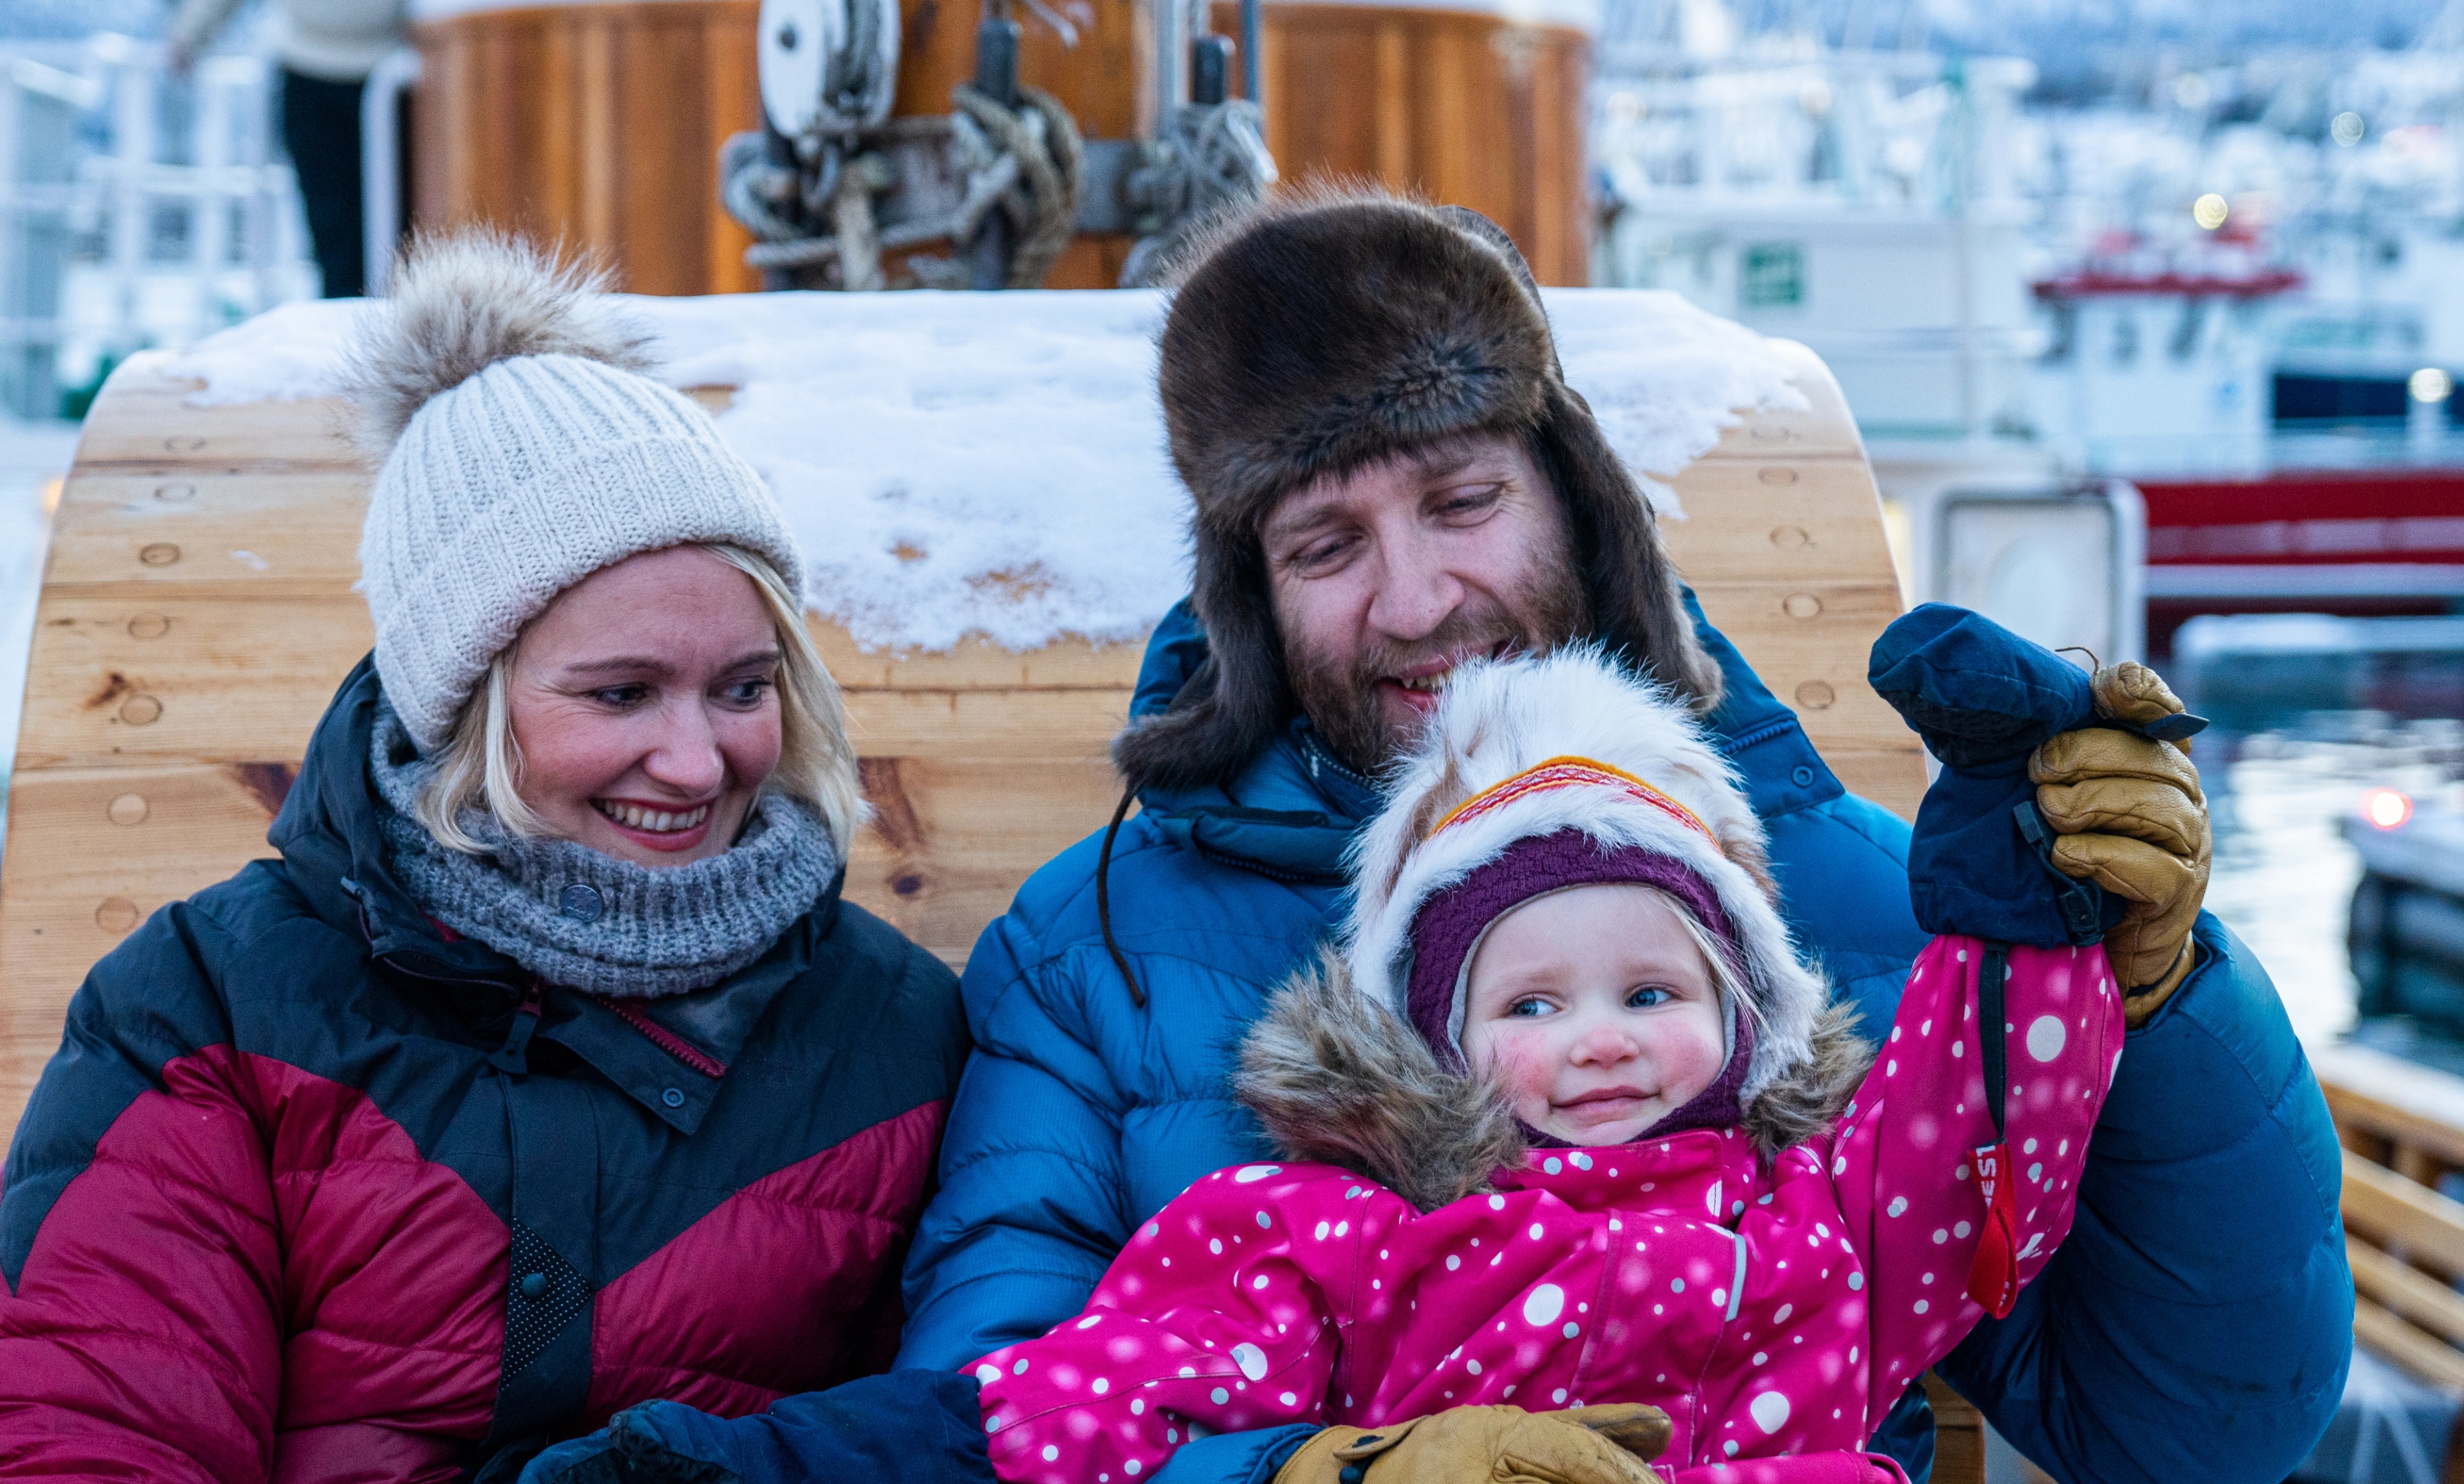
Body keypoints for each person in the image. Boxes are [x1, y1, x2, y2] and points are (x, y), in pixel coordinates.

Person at [899, 188, 2353, 1484]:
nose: (1414, 603)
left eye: (1461, 502)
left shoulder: (1833, 895)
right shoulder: (1096, 955)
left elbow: (2191, 1429)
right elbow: (980, 1411)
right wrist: (1318, 1471)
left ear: (1576, 508)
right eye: (1325, 547)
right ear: (1252, 604)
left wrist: (2156, 1001)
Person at [0, 232, 974, 1480]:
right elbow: (99, 1428)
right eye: (620, 696)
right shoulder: (206, 1004)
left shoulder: (891, 1029)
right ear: (464, 708)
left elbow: (979, 1423)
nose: (696, 760)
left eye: (742, 687)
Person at [965, 627, 2130, 1484]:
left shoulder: (1828, 1217)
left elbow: (1984, 1108)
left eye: (1652, 990)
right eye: (1530, 1007)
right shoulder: (1348, 1239)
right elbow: (1109, 1389)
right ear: (1437, 1048)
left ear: (1742, 1011)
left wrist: (2020, 887)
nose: (1602, 1040)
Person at [168, 0, 407, 297]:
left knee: (405, 240)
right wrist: (190, 35)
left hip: (405, 75)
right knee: (336, 241)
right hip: (311, 75)